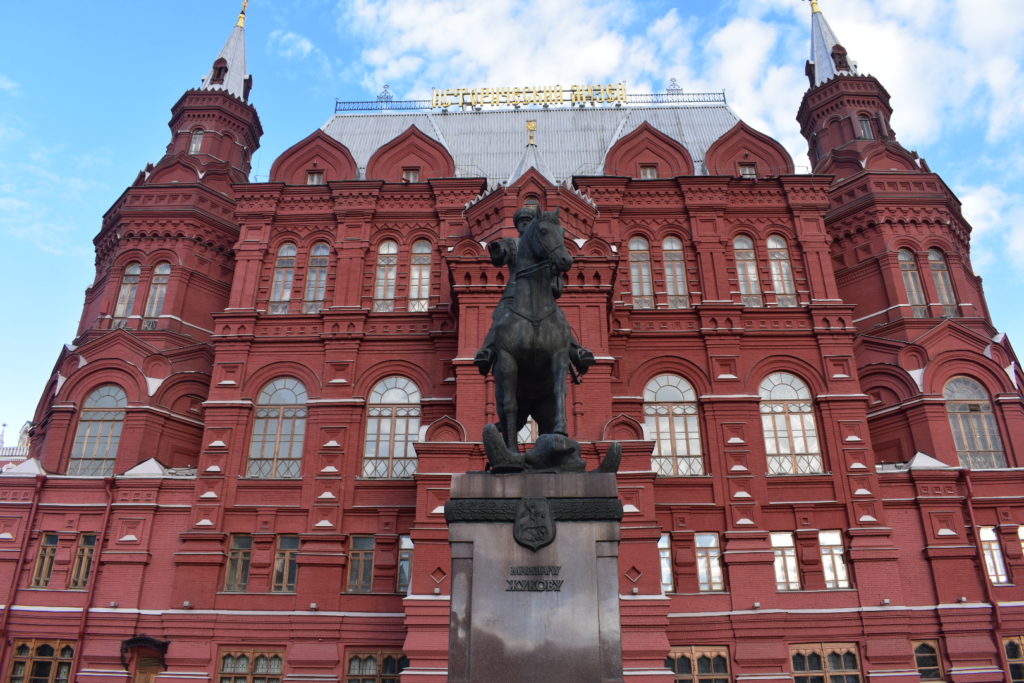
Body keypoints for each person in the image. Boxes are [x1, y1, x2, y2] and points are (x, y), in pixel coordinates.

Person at [473, 206, 595, 378]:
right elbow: (501, 255)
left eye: (527, 221)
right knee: (500, 317)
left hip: (541, 295)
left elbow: (557, 272)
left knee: (560, 319)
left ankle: (577, 353)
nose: (524, 225)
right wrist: (497, 251)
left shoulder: (544, 247)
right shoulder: (513, 243)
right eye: (520, 222)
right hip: (515, 295)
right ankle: (487, 352)